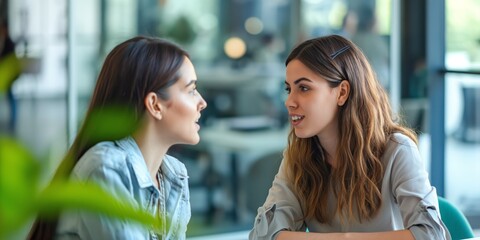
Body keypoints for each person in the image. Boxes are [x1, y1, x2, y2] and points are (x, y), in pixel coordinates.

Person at [249, 35, 450, 240]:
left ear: (342, 92)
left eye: (304, 88)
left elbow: (431, 234)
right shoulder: (298, 156)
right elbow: (263, 235)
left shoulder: (398, 150)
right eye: (288, 89)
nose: (289, 101)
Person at [28, 36, 207, 239]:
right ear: (155, 105)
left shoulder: (173, 174)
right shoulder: (105, 168)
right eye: (191, 90)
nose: (202, 102)